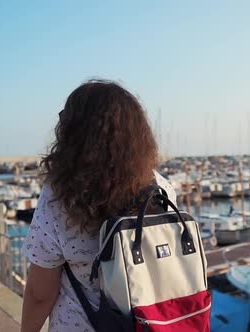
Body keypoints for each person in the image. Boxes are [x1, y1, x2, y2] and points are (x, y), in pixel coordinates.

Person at [20, 80, 176, 332]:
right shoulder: (161, 189)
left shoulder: (61, 198)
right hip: (148, 325)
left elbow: (41, 293)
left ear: (73, 134)